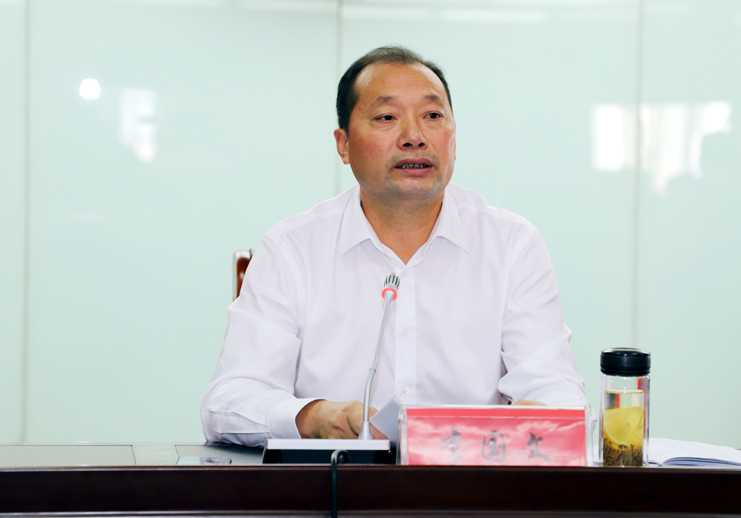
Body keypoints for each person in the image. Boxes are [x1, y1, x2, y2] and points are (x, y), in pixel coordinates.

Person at [201, 46, 588, 447]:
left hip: (468, 482)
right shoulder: (291, 250)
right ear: (344, 145)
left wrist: (540, 417)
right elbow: (227, 403)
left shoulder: (512, 245)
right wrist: (314, 418)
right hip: (336, 482)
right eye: (387, 117)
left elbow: (558, 393)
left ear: (454, 138)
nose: (414, 137)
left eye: (432, 116)